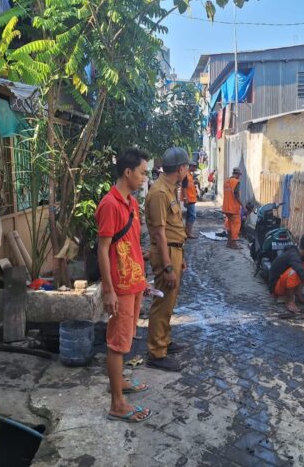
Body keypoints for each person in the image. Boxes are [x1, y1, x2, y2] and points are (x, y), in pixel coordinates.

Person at [95, 148, 151, 423]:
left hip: (134, 283)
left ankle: (120, 383)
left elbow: (131, 246)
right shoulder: (110, 204)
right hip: (120, 287)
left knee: (125, 340)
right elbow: (103, 250)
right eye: (142, 172)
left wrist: (142, 280)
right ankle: (117, 403)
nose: (145, 177)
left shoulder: (130, 203)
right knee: (117, 344)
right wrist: (108, 290)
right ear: (127, 172)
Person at [145, 147, 190, 372]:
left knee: (169, 301)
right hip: (166, 252)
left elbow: (172, 227)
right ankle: (156, 352)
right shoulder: (160, 192)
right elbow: (160, 233)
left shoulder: (170, 189)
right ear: (180, 168)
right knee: (162, 302)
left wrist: (179, 256)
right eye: (187, 167)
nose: (188, 171)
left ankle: (164, 341)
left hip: (174, 250)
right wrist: (168, 265)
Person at [222, 167, 243, 249]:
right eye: (239, 175)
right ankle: (233, 244)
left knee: (229, 225)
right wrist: (243, 205)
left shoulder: (226, 181)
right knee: (236, 225)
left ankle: (229, 243)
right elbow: (236, 195)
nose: (239, 177)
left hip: (226, 208)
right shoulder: (236, 182)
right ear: (237, 174)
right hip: (233, 208)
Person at [181, 161, 199, 239]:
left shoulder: (189, 175)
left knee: (189, 216)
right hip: (189, 199)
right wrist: (185, 199)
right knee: (192, 216)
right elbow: (184, 187)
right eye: (194, 167)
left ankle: (187, 232)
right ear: (191, 166)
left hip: (191, 198)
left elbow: (188, 185)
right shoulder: (186, 175)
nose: (195, 169)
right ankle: (189, 233)